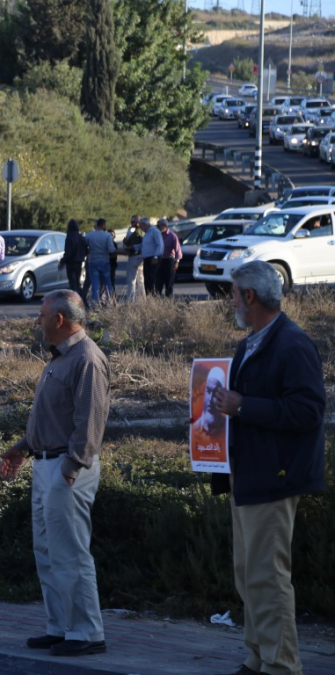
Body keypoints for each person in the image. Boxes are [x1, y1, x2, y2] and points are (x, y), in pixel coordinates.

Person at [208, 261, 326, 675]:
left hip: (276, 476)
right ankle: (258, 656)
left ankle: (281, 665)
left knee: (269, 578)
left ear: (250, 297)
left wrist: (244, 406)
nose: (232, 301)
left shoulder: (292, 344)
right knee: (248, 573)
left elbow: (309, 411)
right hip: (249, 472)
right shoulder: (252, 342)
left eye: (235, 293)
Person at [0, 289, 110, 657]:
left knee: (70, 553)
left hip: (66, 469)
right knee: (47, 551)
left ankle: (87, 632)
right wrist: (24, 446)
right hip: (45, 463)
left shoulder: (87, 359)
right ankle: (61, 627)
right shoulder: (60, 358)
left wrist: (70, 469)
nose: (38, 319)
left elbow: (89, 424)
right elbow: (54, 419)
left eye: (42, 313)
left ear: (60, 319)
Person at [85, 218, 116, 308]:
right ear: (103, 225)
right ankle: (109, 302)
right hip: (105, 261)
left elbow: (85, 246)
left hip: (93, 261)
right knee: (107, 283)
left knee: (95, 284)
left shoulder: (89, 235)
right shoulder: (107, 236)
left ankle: (95, 304)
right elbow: (111, 249)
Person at [155, 219, 182, 298]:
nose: (157, 227)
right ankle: (157, 302)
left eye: (159, 226)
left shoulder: (172, 236)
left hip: (169, 261)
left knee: (169, 283)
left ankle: (168, 301)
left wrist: (177, 261)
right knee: (158, 283)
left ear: (164, 226)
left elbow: (178, 250)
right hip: (159, 261)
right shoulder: (157, 235)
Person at [59, 219, 87, 296]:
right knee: (77, 282)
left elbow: (68, 253)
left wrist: (62, 261)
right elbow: (86, 250)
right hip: (80, 262)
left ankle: (74, 298)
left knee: (72, 283)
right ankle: (80, 298)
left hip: (71, 263)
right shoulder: (81, 237)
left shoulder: (69, 237)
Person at [121, 216, 145, 302]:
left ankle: (131, 300)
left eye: (133, 222)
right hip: (141, 257)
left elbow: (127, 243)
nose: (132, 224)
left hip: (135, 256)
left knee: (131, 280)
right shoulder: (142, 231)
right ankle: (143, 300)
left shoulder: (137, 232)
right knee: (141, 280)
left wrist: (128, 234)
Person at [139, 217, 163, 297]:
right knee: (147, 280)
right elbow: (144, 245)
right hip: (147, 259)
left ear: (145, 224)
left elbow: (160, 245)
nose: (140, 228)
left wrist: (156, 257)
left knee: (152, 279)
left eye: (141, 226)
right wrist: (134, 247)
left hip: (153, 258)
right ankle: (149, 297)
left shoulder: (154, 231)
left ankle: (154, 297)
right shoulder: (147, 233)